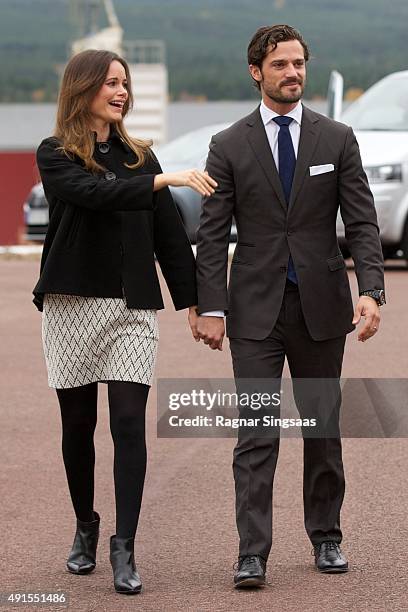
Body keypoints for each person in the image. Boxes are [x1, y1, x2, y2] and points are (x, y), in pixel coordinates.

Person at [193, 25, 385, 587]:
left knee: (322, 428)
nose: (293, 73)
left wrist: (371, 290)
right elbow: (211, 236)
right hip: (254, 310)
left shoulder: (337, 138)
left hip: (322, 308)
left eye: (299, 63)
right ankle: (251, 553)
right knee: (257, 431)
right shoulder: (228, 144)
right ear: (257, 71)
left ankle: (327, 538)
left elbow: (362, 221)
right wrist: (211, 306)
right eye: (280, 65)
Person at [33, 49, 215, 595]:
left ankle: (124, 548)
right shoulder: (56, 153)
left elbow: (168, 241)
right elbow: (92, 194)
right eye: (111, 82)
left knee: (129, 425)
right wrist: (163, 182)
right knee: (77, 428)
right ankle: (85, 526)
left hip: (132, 309)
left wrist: (196, 304)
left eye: (125, 83)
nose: (122, 92)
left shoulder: (142, 157)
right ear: (83, 88)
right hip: (72, 306)